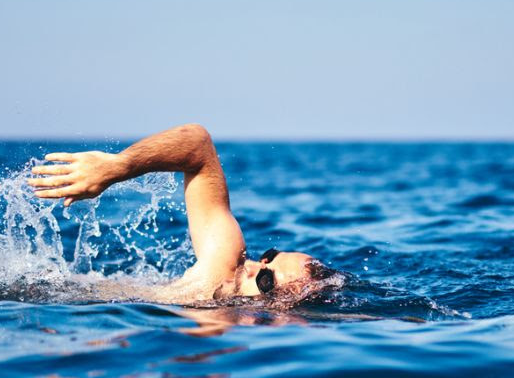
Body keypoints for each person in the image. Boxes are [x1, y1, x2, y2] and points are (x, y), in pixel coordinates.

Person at [28, 123, 334, 303]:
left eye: (267, 281)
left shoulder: (230, 331)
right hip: (54, 293)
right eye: (269, 256)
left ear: (280, 306)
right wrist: (117, 167)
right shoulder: (225, 264)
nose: (254, 266)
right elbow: (199, 146)